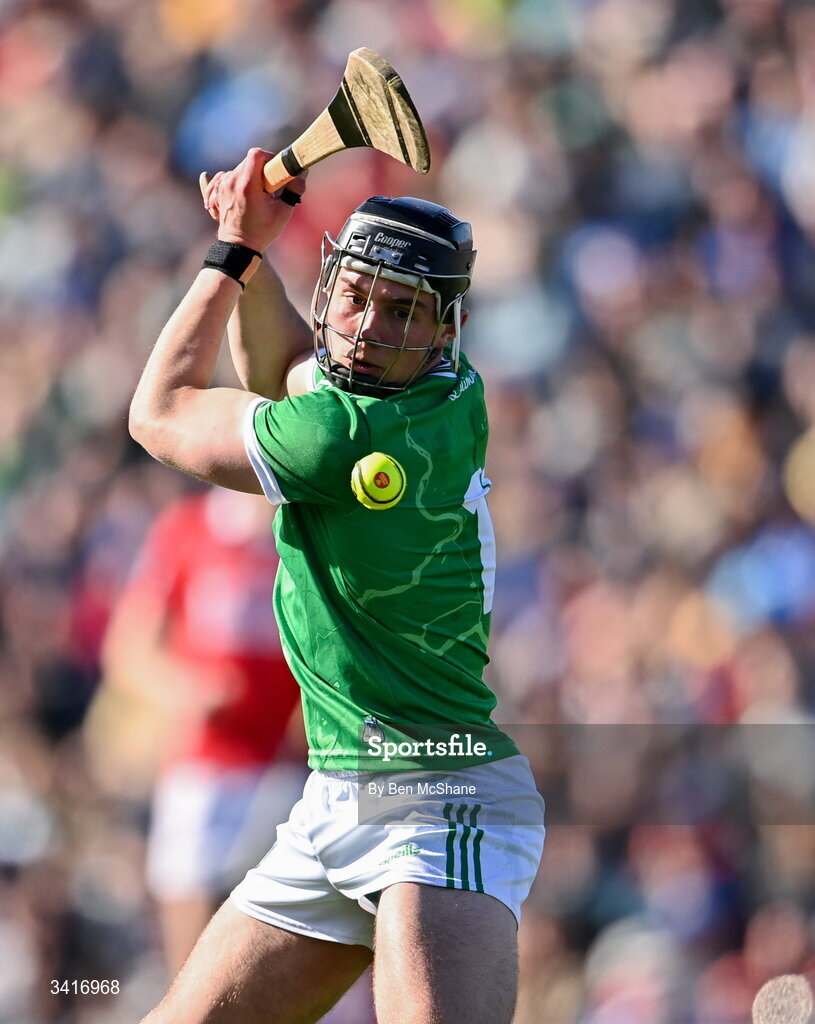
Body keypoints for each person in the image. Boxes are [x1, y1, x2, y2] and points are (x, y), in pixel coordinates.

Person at [129, 147, 545, 1024]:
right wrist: (254, 247)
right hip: (338, 792)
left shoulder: (346, 439)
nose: (366, 329)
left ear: (444, 328)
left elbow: (159, 412)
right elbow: (285, 367)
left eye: (401, 311)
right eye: (356, 297)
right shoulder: (444, 392)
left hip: (433, 798)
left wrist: (231, 254)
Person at [101, 485, 305, 975]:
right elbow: (128, 647)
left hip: (293, 765)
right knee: (192, 938)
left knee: (292, 938)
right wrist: (183, 691)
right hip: (207, 762)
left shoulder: (308, 531)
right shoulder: (186, 529)